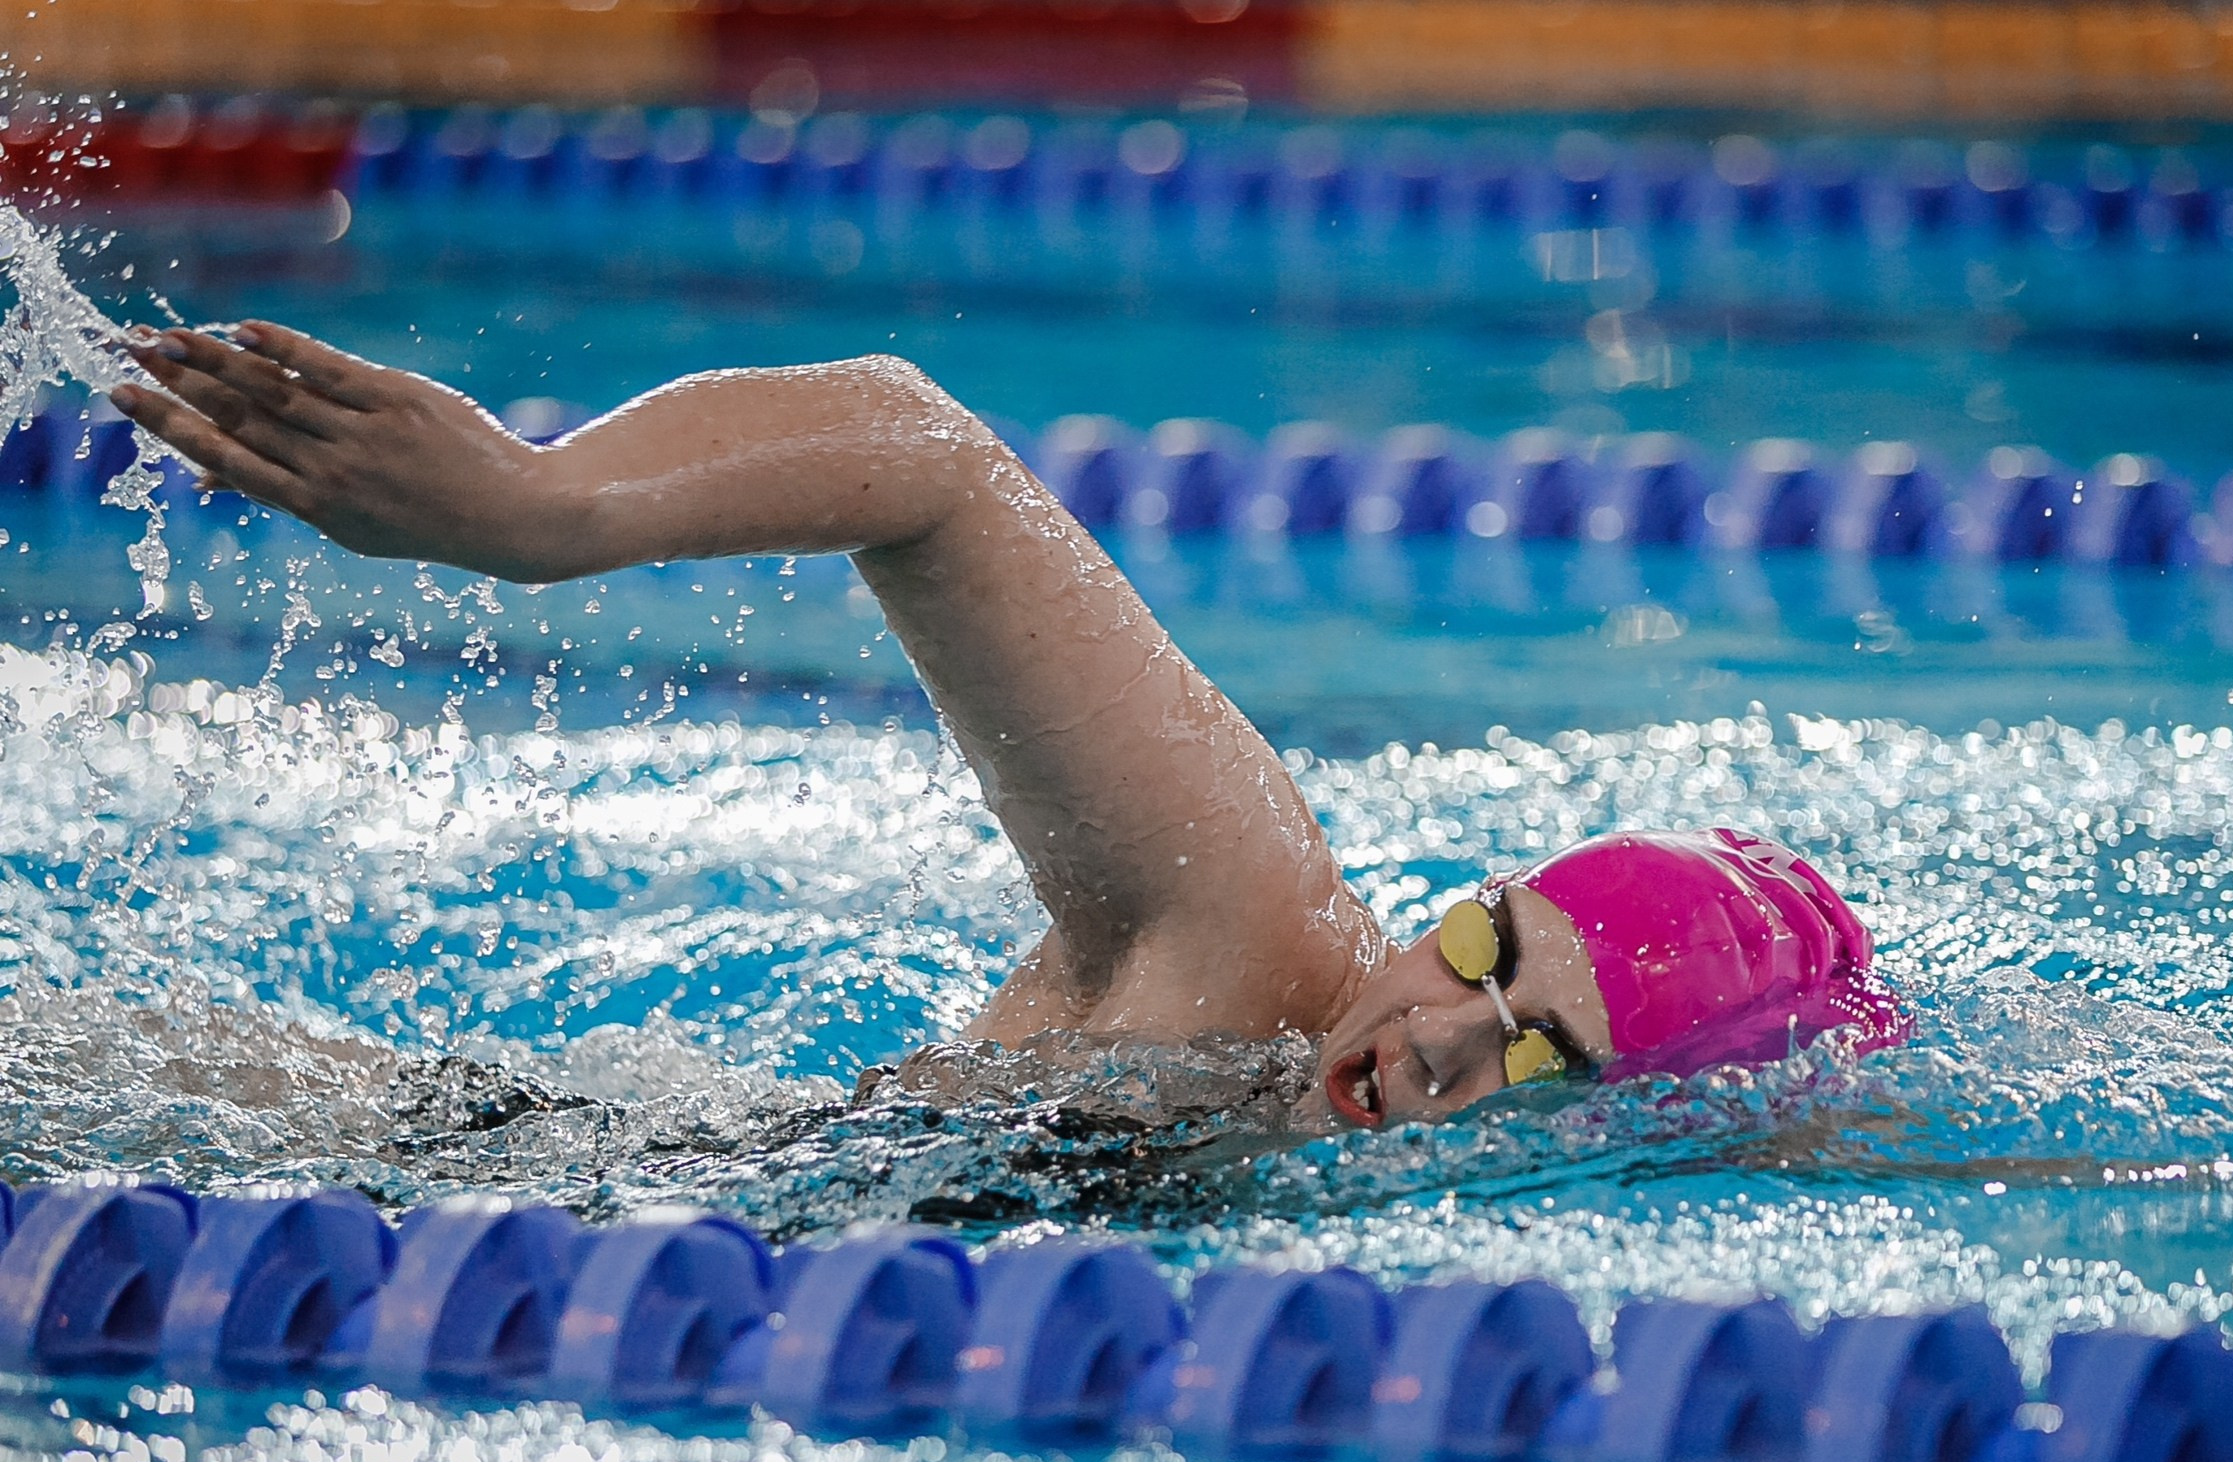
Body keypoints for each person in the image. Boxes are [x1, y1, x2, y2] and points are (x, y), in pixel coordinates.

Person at [111, 327, 1905, 1135]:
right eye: (1480, 948)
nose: (1440, 1035)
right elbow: (925, 457)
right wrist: (543, 515)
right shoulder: (1249, 925)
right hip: (442, 1162)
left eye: (1541, 1061)